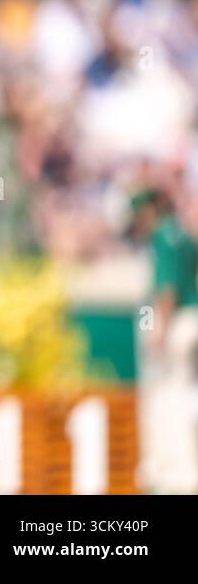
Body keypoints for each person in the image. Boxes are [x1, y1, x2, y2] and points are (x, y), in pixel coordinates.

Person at [129, 187, 198, 493]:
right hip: (192, 318)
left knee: (170, 396)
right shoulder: (184, 234)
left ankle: (178, 470)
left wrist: (160, 328)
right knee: (186, 393)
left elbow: (167, 288)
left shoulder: (164, 237)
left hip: (179, 323)